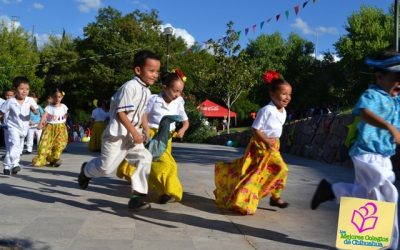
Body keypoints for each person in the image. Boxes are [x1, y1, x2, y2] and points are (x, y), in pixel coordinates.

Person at [310, 50, 400, 250]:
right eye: (396, 77)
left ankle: (330, 191)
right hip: (366, 154)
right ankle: (386, 245)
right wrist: (389, 127)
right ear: (379, 77)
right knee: (383, 187)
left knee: (368, 195)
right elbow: (365, 113)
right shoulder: (372, 95)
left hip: (384, 156)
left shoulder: (397, 101)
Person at [78, 50, 161, 210]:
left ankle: (137, 196)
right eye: (151, 70)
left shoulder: (147, 91)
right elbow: (121, 113)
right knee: (106, 168)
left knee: (145, 158)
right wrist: (135, 132)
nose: (155, 75)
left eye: (157, 71)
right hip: (117, 136)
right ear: (138, 70)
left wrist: (145, 128)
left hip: (132, 137)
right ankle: (86, 170)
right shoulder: (129, 87)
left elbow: (142, 112)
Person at [214, 70, 292, 215]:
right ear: (272, 94)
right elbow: (255, 129)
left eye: (289, 94)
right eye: (284, 94)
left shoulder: (284, 111)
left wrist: (273, 143)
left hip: (273, 146)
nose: (287, 97)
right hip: (261, 146)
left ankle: (275, 196)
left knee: (280, 169)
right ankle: (241, 200)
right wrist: (266, 142)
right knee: (254, 174)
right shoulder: (267, 110)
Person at [116, 69, 190, 204]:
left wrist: (183, 130)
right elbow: (143, 114)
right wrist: (144, 130)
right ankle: (168, 191)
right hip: (152, 136)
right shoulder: (153, 99)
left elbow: (185, 121)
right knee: (165, 165)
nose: (178, 94)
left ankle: (163, 189)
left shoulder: (179, 102)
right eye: (175, 91)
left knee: (160, 164)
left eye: (180, 91)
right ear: (165, 87)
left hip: (166, 138)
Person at [0, 77, 38, 175]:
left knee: (16, 148)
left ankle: (6, 165)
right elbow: (1, 112)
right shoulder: (10, 101)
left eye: (27, 89)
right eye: (21, 89)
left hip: (24, 128)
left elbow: (37, 111)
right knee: (14, 145)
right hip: (12, 127)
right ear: (15, 89)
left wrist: (34, 110)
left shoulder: (30, 100)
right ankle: (15, 164)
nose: (24, 91)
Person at [32, 88, 68, 167]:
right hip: (50, 127)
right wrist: (40, 124)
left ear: (62, 97)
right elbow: (44, 116)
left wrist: (65, 125)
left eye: (59, 97)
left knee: (59, 144)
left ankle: (55, 159)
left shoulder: (64, 107)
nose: (57, 99)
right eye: (55, 97)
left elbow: (65, 116)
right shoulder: (49, 107)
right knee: (45, 143)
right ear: (52, 97)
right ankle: (42, 158)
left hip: (60, 128)